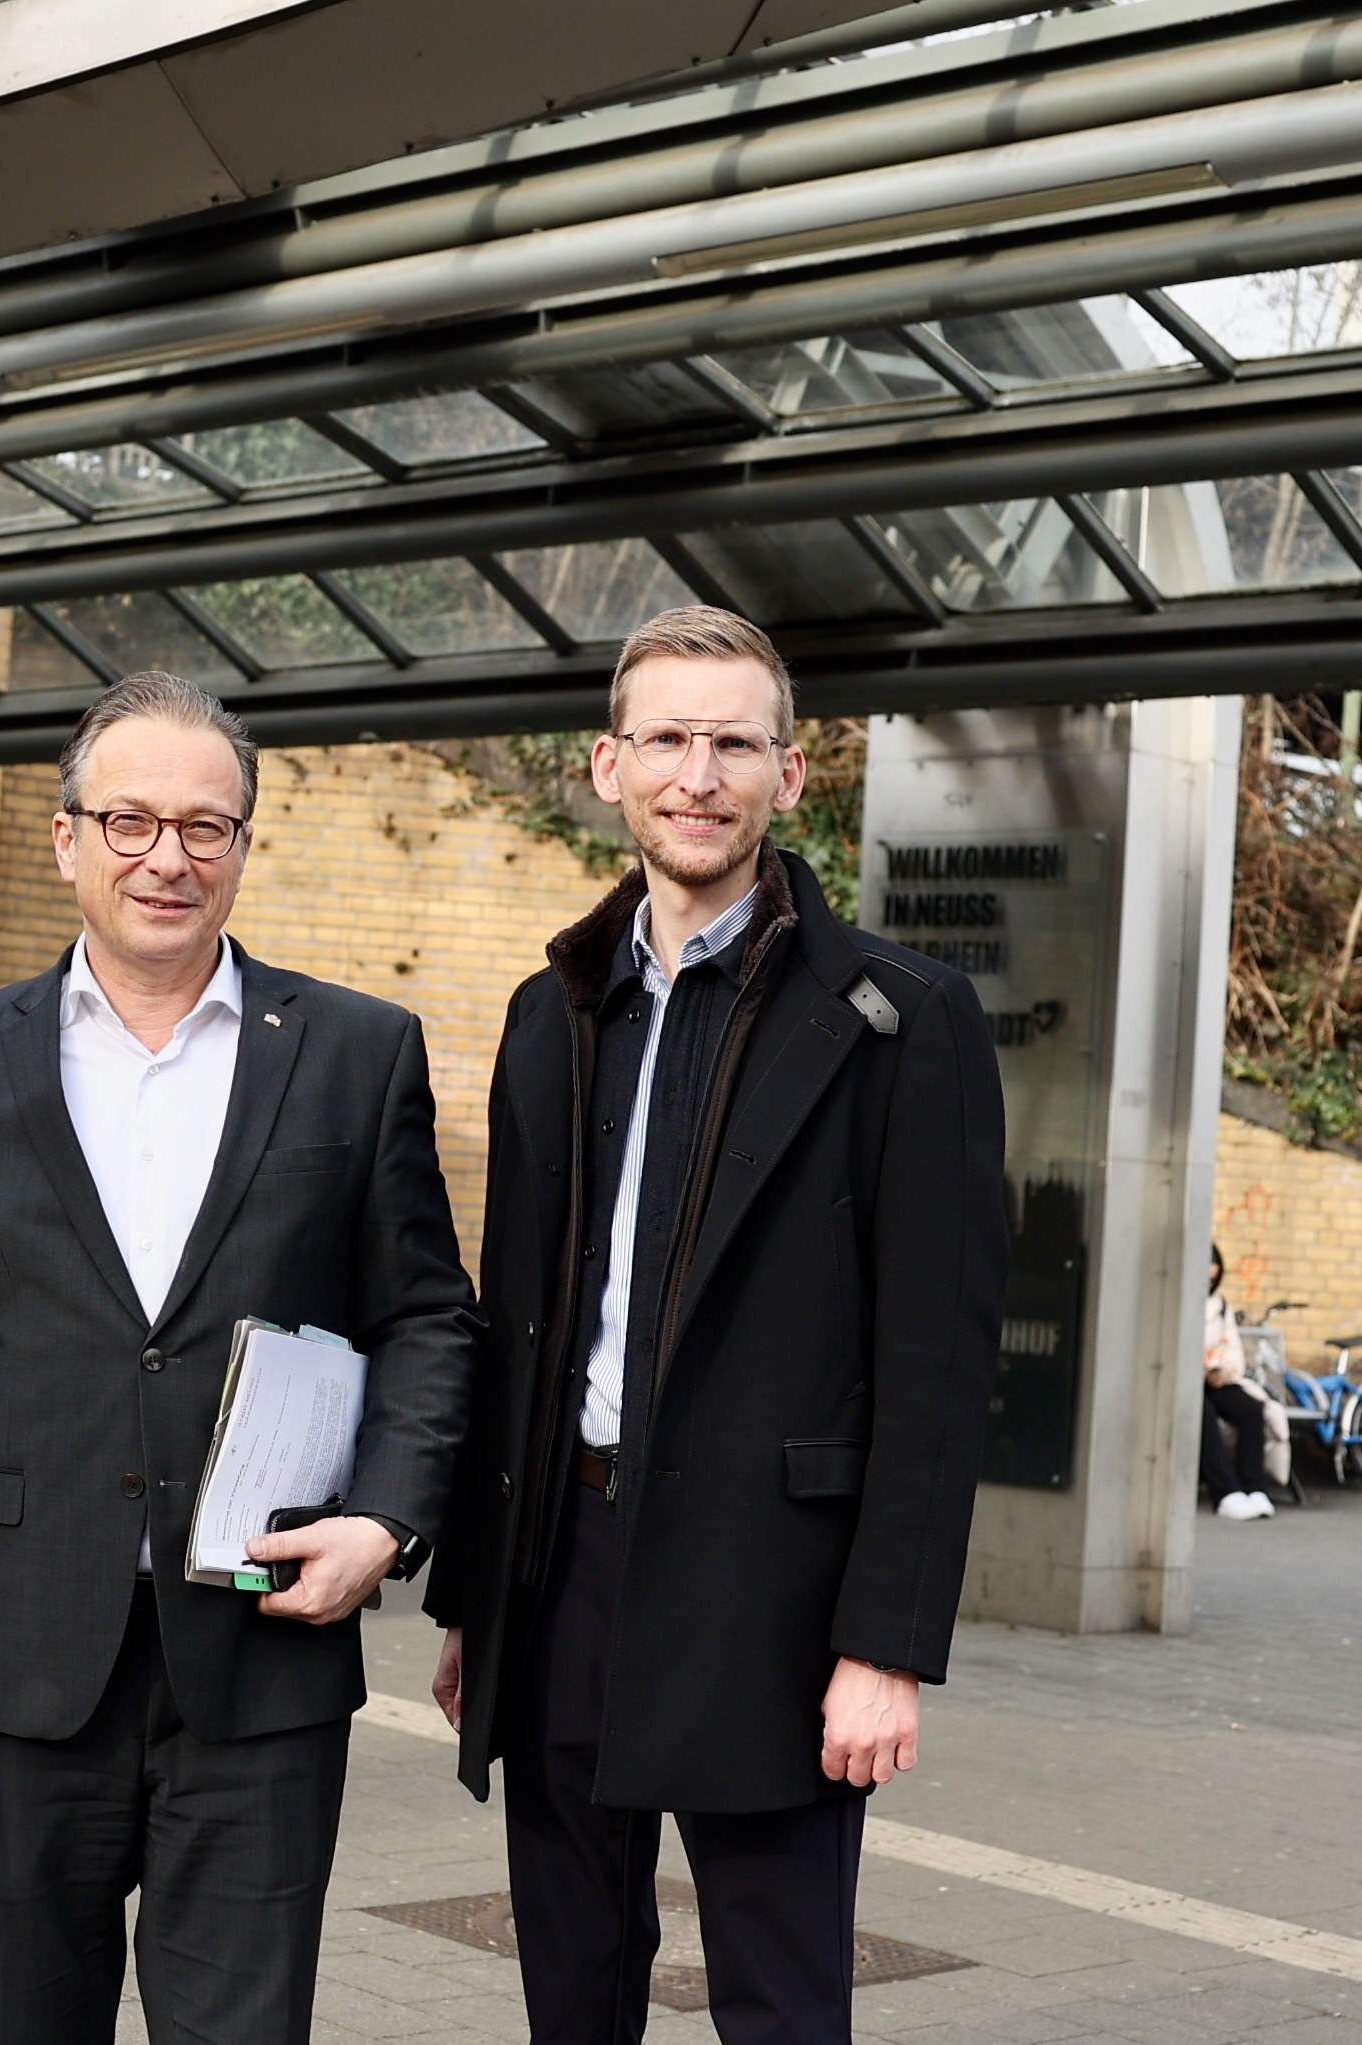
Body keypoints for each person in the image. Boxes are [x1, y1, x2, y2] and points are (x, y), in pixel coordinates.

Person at [0, 672, 473, 2045]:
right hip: (7, 1647)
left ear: (243, 845)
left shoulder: (358, 1054)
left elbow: (425, 1318)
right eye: (129, 821)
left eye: (202, 826)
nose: (165, 857)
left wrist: (387, 1520)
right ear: (68, 838)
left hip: (261, 1648)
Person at [424, 606, 1007, 2044]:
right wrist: (472, 1601)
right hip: (558, 1567)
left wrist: (884, 1647)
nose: (699, 775)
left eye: (734, 744)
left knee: (779, 2002)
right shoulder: (549, 1009)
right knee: (570, 1991)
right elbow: (514, 1322)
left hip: (775, 1594)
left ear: (787, 774)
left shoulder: (902, 1021)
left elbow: (937, 1365)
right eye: (669, 740)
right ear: (608, 764)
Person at [1203, 1246, 1280, 1520]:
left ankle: (1254, 1488)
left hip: (1218, 1377)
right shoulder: (1175, 1300)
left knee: (1251, 1409)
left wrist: (1224, 1371)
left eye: (1213, 1279)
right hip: (1188, 1380)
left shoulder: (1220, 1305)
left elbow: (1232, 1346)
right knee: (1203, 1414)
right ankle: (1226, 1493)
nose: (1209, 1283)